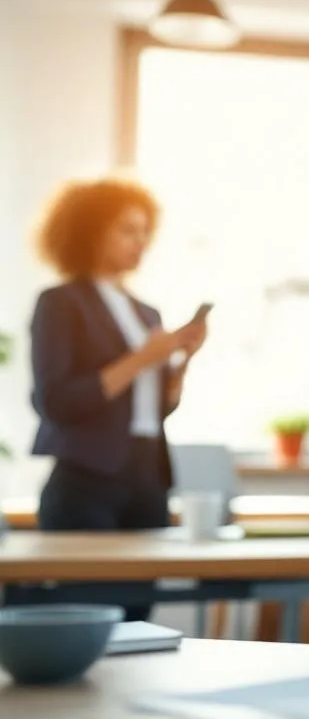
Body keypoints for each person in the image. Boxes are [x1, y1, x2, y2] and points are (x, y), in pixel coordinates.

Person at [29, 176, 207, 621]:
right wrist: (143, 357)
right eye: (127, 230)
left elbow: (155, 409)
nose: (140, 242)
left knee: (139, 618)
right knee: (90, 616)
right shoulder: (60, 302)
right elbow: (56, 402)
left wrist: (181, 360)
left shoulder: (146, 312)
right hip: (86, 479)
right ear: (91, 232)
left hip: (147, 476)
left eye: (145, 231)